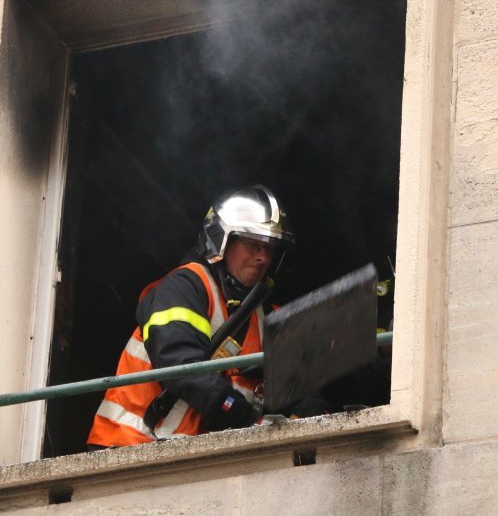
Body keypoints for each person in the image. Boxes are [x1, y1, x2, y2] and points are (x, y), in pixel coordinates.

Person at [86, 185, 328, 448]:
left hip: (194, 461)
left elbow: (305, 389)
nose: (262, 257)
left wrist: (305, 414)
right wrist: (248, 420)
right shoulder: (185, 288)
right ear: (221, 240)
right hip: (127, 449)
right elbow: (181, 366)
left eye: (269, 249)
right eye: (252, 244)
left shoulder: (269, 316)